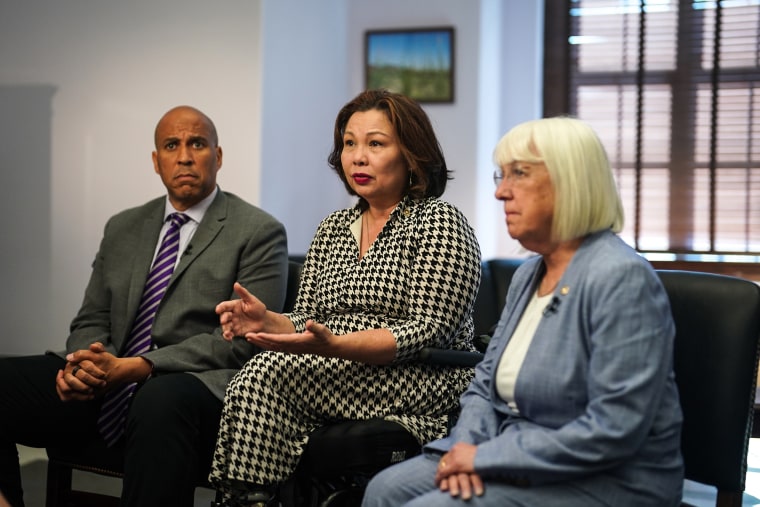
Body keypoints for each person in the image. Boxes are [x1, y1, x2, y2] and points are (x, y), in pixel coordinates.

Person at [361, 116, 685, 506]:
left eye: (519, 174)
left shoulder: (621, 277)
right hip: (509, 448)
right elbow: (484, 384)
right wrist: (466, 449)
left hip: (608, 478)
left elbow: (614, 428)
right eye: (502, 175)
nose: (501, 192)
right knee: (383, 490)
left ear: (571, 182)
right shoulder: (529, 273)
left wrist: (485, 458)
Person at [0, 105, 289, 507]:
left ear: (218, 156)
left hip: (187, 387)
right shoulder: (122, 226)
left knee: (158, 400)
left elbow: (244, 342)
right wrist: (84, 364)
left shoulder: (259, 231)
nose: (184, 156)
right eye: (172, 145)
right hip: (107, 381)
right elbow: (93, 316)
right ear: (156, 161)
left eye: (197, 144)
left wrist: (140, 367)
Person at [208, 89, 482, 505]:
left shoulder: (440, 221)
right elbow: (309, 321)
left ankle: (245, 499)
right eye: (349, 144)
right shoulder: (334, 228)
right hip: (340, 367)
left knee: (266, 375)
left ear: (411, 154)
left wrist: (338, 346)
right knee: (261, 368)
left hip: (419, 377)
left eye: (375, 143)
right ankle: (251, 497)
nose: (357, 157)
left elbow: (429, 333)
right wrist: (267, 321)